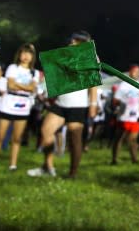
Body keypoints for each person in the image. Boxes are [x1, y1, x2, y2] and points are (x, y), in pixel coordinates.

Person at [28, 31, 98, 179]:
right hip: (61, 102)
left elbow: (93, 85)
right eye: (71, 39)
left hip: (78, 105)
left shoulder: (90, 57)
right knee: (46, 130)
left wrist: (93, 105)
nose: (71, 42)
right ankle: (48, 166)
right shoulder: (64, 56)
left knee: (75, 140)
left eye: (75, 40)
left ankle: (73, 173)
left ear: (83, 41)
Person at [0, 43, 38, 172]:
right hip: (7, 105)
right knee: (0, 136)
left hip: (23, 107)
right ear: (19, 55)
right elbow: (10, 85)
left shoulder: (35, 72)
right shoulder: (12, 68)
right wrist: (26, 87)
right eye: (23, 53)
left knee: (17, 138)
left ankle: (13, 165)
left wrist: (19, 85)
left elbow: (33, 88)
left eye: (29, 53)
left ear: (33, 56)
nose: (26, 56)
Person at [111, 64, 139, 165]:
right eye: (136, 71)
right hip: (123, 117)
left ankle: (134, 159)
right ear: (130, 72)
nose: (138, 73)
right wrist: (122, 103)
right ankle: (114, 159)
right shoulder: (123, 85)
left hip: (135, 118)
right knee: (119, 139)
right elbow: (115, 100)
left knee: (133, 139)